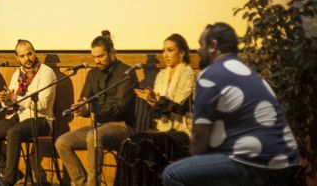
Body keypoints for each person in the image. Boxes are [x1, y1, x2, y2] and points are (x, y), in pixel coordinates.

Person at [162, 23, 300, 185]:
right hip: (287, 160)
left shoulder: (211, 74)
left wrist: (195, 167)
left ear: (213, 46)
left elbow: (200, 137)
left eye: (201, 44)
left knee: (173, 174)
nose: (198, 51)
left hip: (257, 162)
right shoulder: (249, 72)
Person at [55, 30, 138, 186]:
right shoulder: (93, 74)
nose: (97, 61)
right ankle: (82, 182)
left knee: (93, 137)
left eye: (101, 56)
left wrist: (90, 107)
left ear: (112, 52)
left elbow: (118, 108)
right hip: (97, 127)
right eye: (94, 57)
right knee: (62, 142)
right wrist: (81, 108)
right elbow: (86, 101)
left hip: (122, 127)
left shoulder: (127, 73)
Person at [0, 39, 56, 185]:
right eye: (22, 56)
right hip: (18, 118)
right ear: (17, 58)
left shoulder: (46, 72)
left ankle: (9, 180)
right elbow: (11, 104)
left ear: (35, 53)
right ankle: (10, 170)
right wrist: (5, 99)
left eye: (29, 54)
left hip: (41, 120)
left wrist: (15, 98)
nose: (27, 59)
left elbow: (42, 105)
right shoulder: (18, 73)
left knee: (13, 132)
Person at [115, 33, 195, 186]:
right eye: (163, 50)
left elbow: (179, 108)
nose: (165, 55)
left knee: (147, 143)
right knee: (130, 143)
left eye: (170, 50)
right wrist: (151, 101)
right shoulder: (161, 76)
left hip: (182, 132)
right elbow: (159, 112)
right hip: (163, 130)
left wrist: (157, 100)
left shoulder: (188, 74)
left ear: (182, 52)